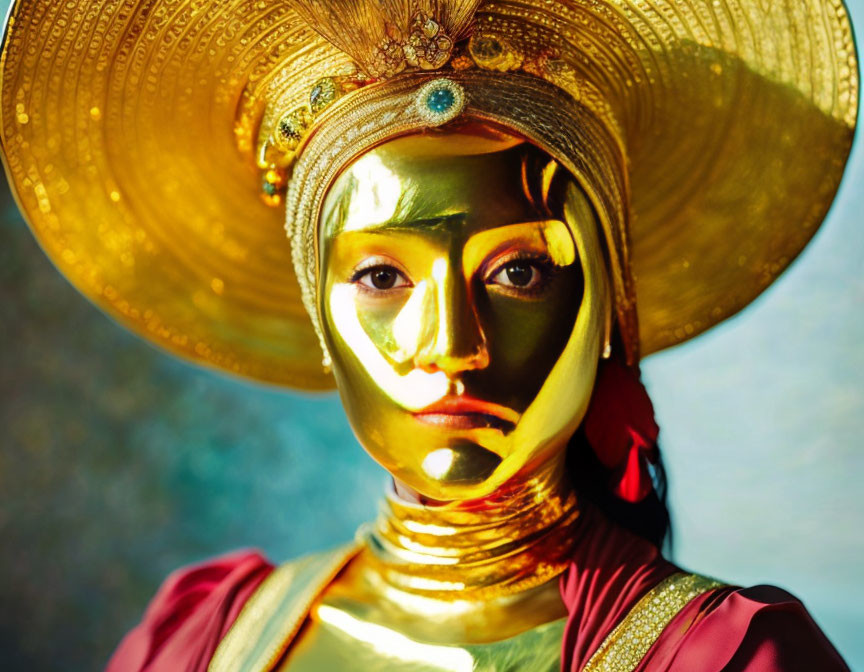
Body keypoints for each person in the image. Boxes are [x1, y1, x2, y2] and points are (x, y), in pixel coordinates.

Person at [0, 1, 857, 670]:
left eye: (517, 272)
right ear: (320, 321)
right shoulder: (204, 645)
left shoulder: (733, 662)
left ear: (608, 310)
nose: (451, 343)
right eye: (381, 278)